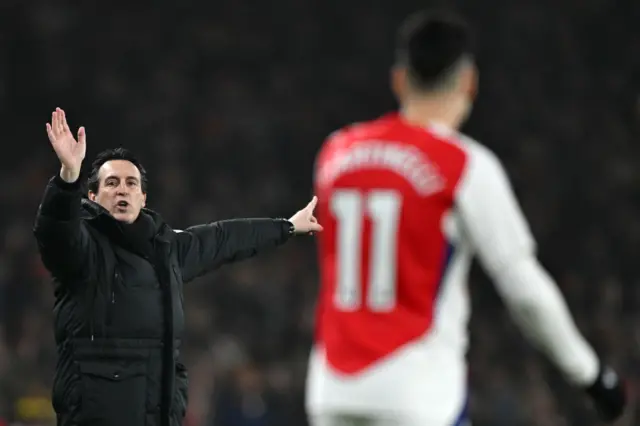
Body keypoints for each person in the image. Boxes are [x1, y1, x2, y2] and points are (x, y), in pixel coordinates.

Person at [306, 10, 628, 426]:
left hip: (332, 391)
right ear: (469, 82)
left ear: (399, 79)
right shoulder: (465, 166)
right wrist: (592, 376)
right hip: (416, 395)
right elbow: (524, 289)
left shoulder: (336, 154)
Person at [33, 108, 323, 426]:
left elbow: (224, 239)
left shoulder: (166, 249)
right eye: (111, 183)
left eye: (131, 183)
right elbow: (55, 231)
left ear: (143, 197)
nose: (121, 190)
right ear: (92, 195)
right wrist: (68, 177)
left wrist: (286, 226)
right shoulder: (81, 248)